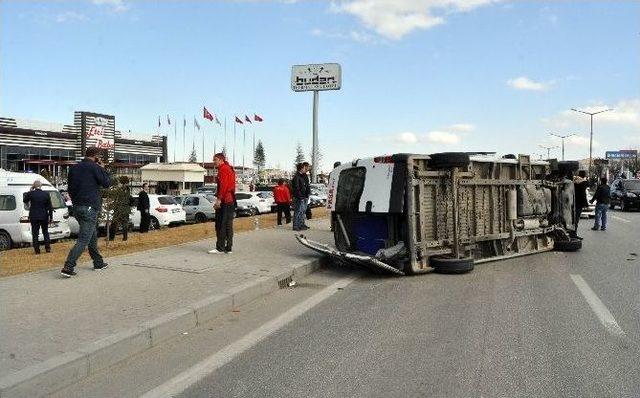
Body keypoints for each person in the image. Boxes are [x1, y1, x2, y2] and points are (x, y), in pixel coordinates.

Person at [61, 147, 111, 277]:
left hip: (77, 207)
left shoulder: (74, 168)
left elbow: (70, 188)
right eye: (99, 156)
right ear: (96, 156)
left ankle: (98, 262)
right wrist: (102, 168)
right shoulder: (95, 167)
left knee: (91, 235)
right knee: (83, 239)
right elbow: (106, 183)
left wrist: (77, 200)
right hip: (89, 207)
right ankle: (68, 266)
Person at [209, 153, 236, 254]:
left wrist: (219, 199)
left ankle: (220, 247)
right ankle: (228, 248)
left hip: (225, 200)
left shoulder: (223, 169)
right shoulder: (230, 168)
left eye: (215, 160)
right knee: (228, 225)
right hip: (230, 200)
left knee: (220, 224)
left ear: (221, 160)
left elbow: (223, 186)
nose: (214, 162)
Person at [23, 180, 53, 254]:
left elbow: (25, 200)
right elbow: (50, 207)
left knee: (35, 233)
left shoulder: (31, 193)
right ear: (41, 186)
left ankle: (37, 250)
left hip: (34, 216)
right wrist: (51, 217)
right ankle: (47, 248)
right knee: (45, 232)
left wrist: (30, 190)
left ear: (34, 186)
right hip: (44, 215)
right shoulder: (46, 194)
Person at [108, 176, 132, 241]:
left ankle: (111, 238)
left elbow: (116, 199)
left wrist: (111, 206)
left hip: (119, 209)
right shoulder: (128, 189)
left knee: (114, 223)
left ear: (122, 182)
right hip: (126, 209)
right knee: (125, 224)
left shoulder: (120, 189)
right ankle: (125, 238)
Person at [291, 162, 310, 231]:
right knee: (297, 212)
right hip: (299, 197)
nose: (305, 169)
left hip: (302, 196)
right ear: (301, 168)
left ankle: (300, 225)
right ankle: (295, 226)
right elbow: (296, 188)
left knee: (301, 211)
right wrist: (300, 197)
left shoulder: (301, 176)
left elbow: (304, 186)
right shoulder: (297, 177)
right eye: (304, 168)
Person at [572, 170, 589, 239]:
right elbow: (583, 194)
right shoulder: (582, 183)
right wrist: (585, 204)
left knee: (572, 219)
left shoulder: (573, 181)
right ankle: (574, 234)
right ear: (584, 175)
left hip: (572, 202)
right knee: (576, 220)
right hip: (579, 203)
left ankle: (571, 233)